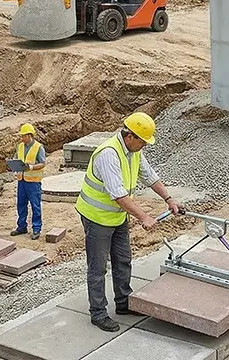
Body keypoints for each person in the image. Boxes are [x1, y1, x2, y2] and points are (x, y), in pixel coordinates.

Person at [75, 111, 179, 332]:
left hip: (117, 216)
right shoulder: (109, 154)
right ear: (129, 136)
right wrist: (143, 217)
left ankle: (124, 303)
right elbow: (118, 195)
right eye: (142, 141)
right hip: (97, 218)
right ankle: (98, 313)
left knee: (123, 259)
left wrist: (169, 199)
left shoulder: (134, 152)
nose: (144, 146)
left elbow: (150, 176)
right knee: (98, 267)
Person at [11, 123, 46, 239]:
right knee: (21, 204)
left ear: (29, 135)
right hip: (22, 180)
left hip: (33, 182)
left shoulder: (38, 147)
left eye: (23, 136)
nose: (22, 138)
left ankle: (36, 229)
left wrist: (31, 167)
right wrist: (15, 166)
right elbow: (17, 158)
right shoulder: (20, 146)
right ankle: (22, 226)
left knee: (35, 205)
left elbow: (43, 163)